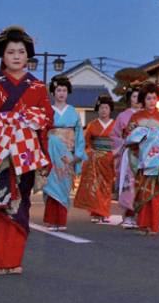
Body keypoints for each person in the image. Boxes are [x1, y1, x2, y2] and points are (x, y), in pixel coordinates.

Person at [0, 26, 52, 276]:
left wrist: (28, 120)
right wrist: (1, 123)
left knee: (20, 203)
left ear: (28, 56)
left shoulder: (37, 87)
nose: (16, 56)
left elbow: (47, 118)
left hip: (23, 154)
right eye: (11, 52)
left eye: (21, 52)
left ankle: (14, 258)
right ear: (2, 56)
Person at [42, 75, 84, 231]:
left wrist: (78, 154)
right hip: (51, 152)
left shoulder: (73, 112)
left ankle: (61, 220)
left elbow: (79, 134)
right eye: (58, 90)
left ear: (68, 92)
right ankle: (51, 219)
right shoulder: (47, 111)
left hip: (67, 153)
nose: (61, 93)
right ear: (53, 92)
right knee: (51, 184)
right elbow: (43, 133)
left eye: (64, 90)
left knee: (64, 185)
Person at [124, 101, 159, 235]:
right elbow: (128, 135)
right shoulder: (136, 117)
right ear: (143, 100)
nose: (151, 101)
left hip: (158, 159)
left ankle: (154, 225)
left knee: (155, 193)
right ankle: (143, 224)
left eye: (154, 98)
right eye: (148, 97)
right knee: (143, 191)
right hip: (142, 158)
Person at [75, 94, 118, 223]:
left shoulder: (115, 125)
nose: (104, 110)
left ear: (110, 110)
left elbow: (118, 142)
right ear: (97, 110)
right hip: (95, 159)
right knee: (95, 186)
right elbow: (85, 142)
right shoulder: (92, 125)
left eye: (106, 108)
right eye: (101, 108)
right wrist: (90, 152)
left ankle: (104, 212)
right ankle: (96, 212)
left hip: (110, 158)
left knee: (106, 186)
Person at [110, 87, 144, 226]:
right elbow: (114, 135)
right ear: (130, 98)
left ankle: (141, 215)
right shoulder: (123, 116)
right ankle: (129, 215)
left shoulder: (146, 115)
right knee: (129, 183)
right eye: (134, 96)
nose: (137, 99)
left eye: (139, 97)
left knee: (143, 183)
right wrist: (124, 143)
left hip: (144, 152)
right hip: (129, 151)